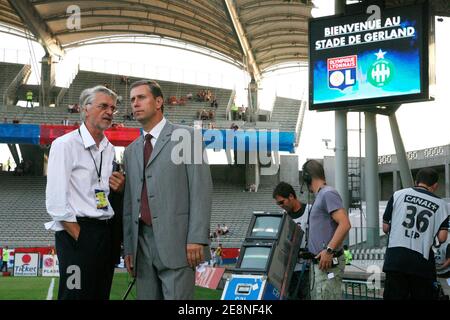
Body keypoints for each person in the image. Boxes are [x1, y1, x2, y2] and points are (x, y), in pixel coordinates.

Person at [122, 80, 212, 300]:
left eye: (141, 97)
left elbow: (201, 190)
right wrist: (129, 248)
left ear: (159, 101)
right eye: (132, 100)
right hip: (141, 245)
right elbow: (129, 205)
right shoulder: (130, 151)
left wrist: (197, 238)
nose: (135, 103)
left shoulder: (187, 136)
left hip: (179, 243)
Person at [45, 85, 125, 300]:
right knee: (75, 296)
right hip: (78, 234)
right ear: (85, 109)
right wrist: (80, 236)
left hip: (105, 233)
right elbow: (55, 201)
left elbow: (101, 190)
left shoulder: (109, 148)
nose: (109, 111)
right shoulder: (65, 145)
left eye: (113, 108)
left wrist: (118, 187)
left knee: (100, 295)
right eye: (103, 106)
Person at [382, 168, 449, 300]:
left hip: (395, 259)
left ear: (417, 181)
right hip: (421, 263)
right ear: (435, 186)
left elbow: (385, 227)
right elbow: (442, 237)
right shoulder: (443, 205)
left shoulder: (398, 195)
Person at [302, 159, 351, 300]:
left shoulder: (327, 193)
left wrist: (329, 250)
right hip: (323, 265)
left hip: (329, 265)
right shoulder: (322, 195)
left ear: (307, 177)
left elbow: (345, 223)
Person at [273, 181, 309, 300]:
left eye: (282, 202)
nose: (281, 205)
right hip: (289, 271)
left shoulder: (310, 210)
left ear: (291, 196)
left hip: (307, 269)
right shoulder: (283, 216)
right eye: (278, 203)